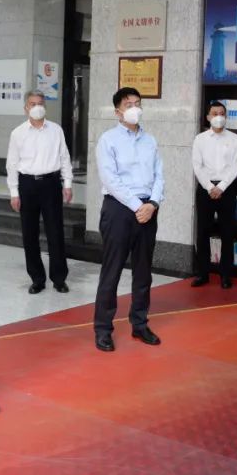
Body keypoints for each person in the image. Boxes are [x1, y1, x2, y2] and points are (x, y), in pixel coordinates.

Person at [93, 86, 164, 352]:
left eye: (137, 103)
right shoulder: (108, 140)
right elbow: (110, 180)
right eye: (128, 104)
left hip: (148, 209)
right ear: (118, 112)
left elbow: (160, 175)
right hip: (119, 210)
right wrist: (138, 206)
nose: (134, 109)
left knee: (143, 271)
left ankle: (140, 324)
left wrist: (152, 204)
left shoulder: (150, 140)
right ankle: (103, 329)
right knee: (111, 271)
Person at [7, 91, 74, 294]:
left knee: (56, 232)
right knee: (30, 234)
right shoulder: (18, 133)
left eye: (40, 103)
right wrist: (14, 192)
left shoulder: (56, 130)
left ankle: (59, 278)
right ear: (26, 108)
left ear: (45, 106)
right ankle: (37, 279)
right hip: (27, 185)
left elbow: (64, 157)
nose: (37, 107)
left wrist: (68, 183)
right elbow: (12, 164)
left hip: (51, 183)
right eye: (32, 103)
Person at [191, 100, 237, 289]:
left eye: (222, 113)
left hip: (226, 189)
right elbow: (197, 166)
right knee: (202, 232)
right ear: (208, 117)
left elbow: (235, 167)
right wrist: (209, 187)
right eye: (214, 113)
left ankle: (225, 275)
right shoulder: (200, 139)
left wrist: (220, 187)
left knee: (227, 233)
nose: (218, 117)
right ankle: (202, 274)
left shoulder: (235, 139)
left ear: (226, 117)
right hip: (205, 189)